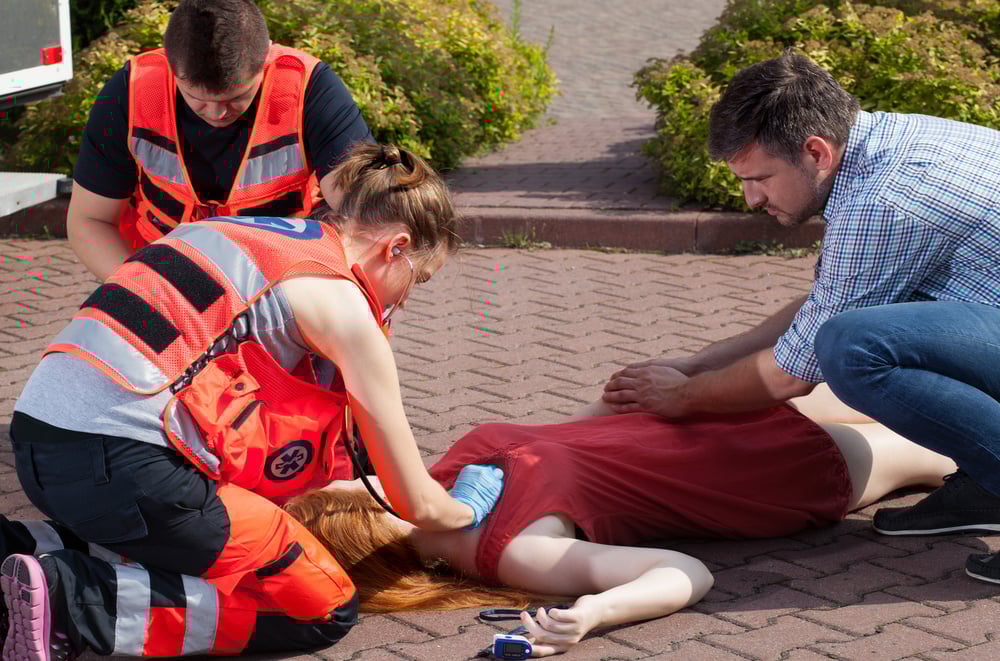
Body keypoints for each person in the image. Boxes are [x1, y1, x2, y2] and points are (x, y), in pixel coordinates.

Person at [2, 142, 505, 660]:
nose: (404, 299)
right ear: (396, 247)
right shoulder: (345, 306)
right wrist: (465, 510)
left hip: (39, 445)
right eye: (417, 279)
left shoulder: (244, 233)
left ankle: (16, 552)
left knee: (172, 536)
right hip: (127, 469)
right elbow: (416, 502)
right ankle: (72, 601)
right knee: (317, 606)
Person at [599, 51, 1000, 583]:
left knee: (853, 351)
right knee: (862, 329)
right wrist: (697, 365)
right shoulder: (889, 142)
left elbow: (794, 372)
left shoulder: (885, 202)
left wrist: (684, 397)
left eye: (760, 178)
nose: (750, 198)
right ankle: (988, 483)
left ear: (816, 151)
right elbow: (828, 303)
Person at [282, 389, 955, 657]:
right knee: (960, 448)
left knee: (928, 382)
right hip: (765, 468)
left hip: (717, 412)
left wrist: (629, 397)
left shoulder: (437, 480)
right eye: (340, 490)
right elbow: (686, 572)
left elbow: (561, 442)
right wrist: (594, 614)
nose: (343, 475)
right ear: (375, 526)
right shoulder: (514, 551)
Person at [67, 0, 373, 281]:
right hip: (162, 279)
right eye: (196, 98)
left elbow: (361, 211)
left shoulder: (308, 88)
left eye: (237, 97)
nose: (217, 113)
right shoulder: (133, 90)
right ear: (172, 68)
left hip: (282, 281)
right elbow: (90, 221)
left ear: (265, 59)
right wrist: (140, 291)